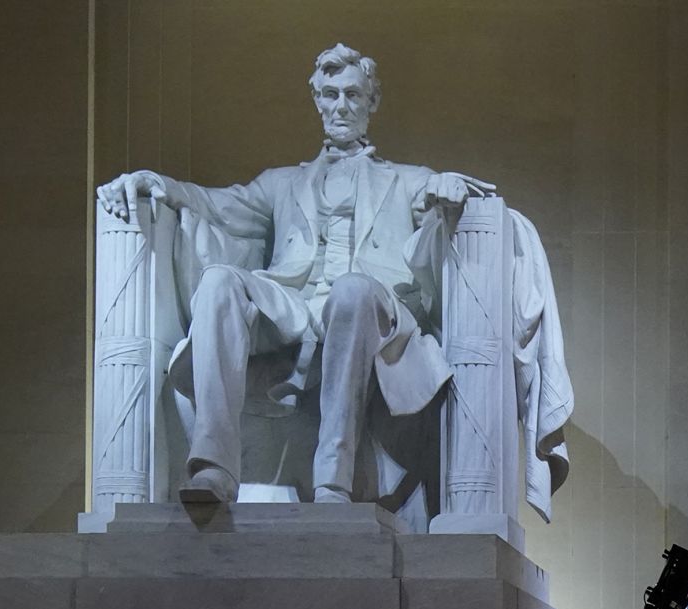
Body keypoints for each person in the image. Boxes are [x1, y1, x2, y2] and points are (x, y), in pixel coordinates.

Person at [96, 44, 492, 505]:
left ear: (372, 102)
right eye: (329, 95)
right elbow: (218, 204)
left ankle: (333, 480)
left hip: (372, 308)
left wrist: (446, 186)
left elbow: (432, 199)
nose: (340, 106)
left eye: (352, 95)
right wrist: (157, 183)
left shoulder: (407, 178)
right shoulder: (282, 182)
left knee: (351, 291)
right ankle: (213, 469)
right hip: (296, 304)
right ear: (318, 102)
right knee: (220, 281)